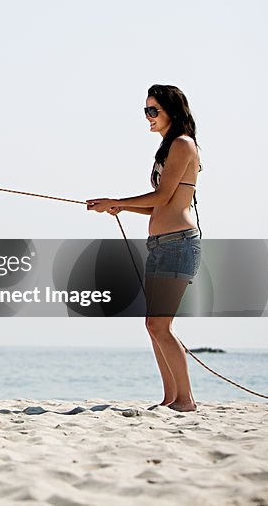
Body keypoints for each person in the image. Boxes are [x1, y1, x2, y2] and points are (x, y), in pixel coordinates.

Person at [87, 84, 201, 412]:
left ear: (172, 112)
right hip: (161, 244)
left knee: (158, 325)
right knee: (154, 326)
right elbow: (158, 206)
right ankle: (170, 398)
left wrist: (118, 201)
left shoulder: (181, 144)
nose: (148, 117)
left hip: (178, 244)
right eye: (146, 111)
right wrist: (119, 207)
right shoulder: (168, 148)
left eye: (154, 111)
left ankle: (185, 400)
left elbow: (164, 198)